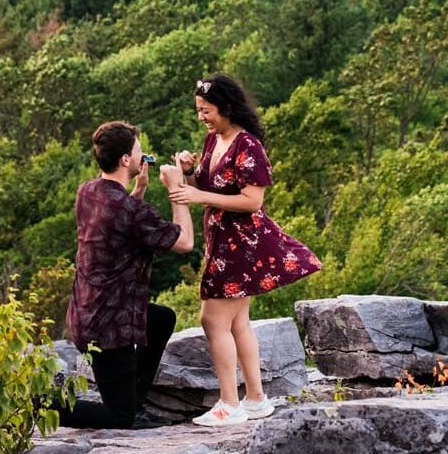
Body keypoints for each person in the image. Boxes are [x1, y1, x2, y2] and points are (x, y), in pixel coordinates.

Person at [168, 74, 322, 427]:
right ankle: (255, 399)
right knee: (237, 322)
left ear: (226, 107)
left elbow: (253, 201)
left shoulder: (248, 145)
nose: (201, 117)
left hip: (242, 246)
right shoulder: (213, 141)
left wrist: (199, 195)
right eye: (198, 111)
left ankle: (228, 403)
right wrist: (191, 174)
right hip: (221, 243)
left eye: (206, 110)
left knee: (212, 320)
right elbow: (207, 187)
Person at [57, 120, 194, 429]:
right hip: (109, 330)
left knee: (160, 319)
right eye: (138, 149)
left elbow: (118, 223)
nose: (142, 153)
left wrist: (139, 191)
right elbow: (185, 242)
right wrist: (177, 189)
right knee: (119, 418)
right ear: (125, 160)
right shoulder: (131, 211)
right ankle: (43, 404)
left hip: (87, 314)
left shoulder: (89, 191)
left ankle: (135, 400)